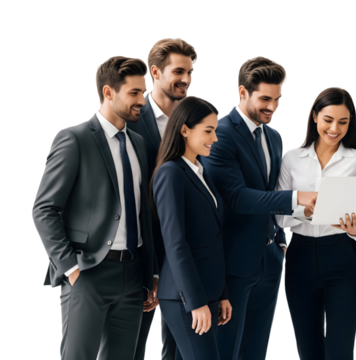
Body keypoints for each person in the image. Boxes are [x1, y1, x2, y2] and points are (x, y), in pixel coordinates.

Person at [31, 56, 157, 360]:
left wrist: (151, 274)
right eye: (134, 93)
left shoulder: (138, 143)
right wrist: (71, 268)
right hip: (89, 273)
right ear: (108, 92)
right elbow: (43, 208)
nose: (142, 100)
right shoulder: (73, 139)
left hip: (133, 274)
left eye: (144, 92)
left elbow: (144, 214)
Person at [200, 56, 318, 360]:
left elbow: (270, 191)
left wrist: (279, 240)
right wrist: (297, 198)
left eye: (278, 99)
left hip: (268, 259)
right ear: (242, 92)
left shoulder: (273, 135)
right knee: (226, 349)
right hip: (233, 263)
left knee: (255, 350)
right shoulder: (220, 133)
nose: (273, 107)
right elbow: (236, 197)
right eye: (265, 99)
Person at [276, 87, 356, 360]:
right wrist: (307, 210)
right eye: (328, 119)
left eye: (343, 122)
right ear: (315, 116)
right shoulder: (292, 158)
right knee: (308, 349)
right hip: (300, 256)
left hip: (343, 257)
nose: (334, 128)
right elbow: (280, 215)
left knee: (340, 349)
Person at [127, 37, 198, 360]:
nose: (187, 79)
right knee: (130, 344)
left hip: (184, 253)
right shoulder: (130, 120)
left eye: (191, 71)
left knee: (182, 348)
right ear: (155, 72)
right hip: (138, 253)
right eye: (179, 71)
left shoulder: (196, 120)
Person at [152, 96, 232, 359]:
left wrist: (222, 294)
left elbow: (213, 237)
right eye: (208, 131)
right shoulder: (171, 173)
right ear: (184, 129)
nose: (215, 138)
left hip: (207, 291)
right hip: (185, 297)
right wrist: (195, 302)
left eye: (215, 131)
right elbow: (175, 243)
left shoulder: (199, 170)